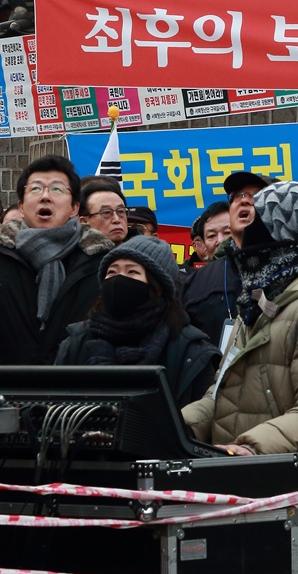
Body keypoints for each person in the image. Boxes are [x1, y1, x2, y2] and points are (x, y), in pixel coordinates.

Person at [183, 181, 298, 574]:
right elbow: (220, 395)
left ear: (288, 233)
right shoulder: (260, 306)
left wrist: (246, 449)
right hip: (251, 506)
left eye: (258, 226)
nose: (242, 241)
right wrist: (169, 427)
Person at [55, 236, 219, 406]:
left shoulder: (190, 352)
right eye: (112, 272)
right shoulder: (76, 342)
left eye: (132, 272)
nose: (118, 279)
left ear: (157, 287)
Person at [0, 155, 114, 365]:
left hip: (78, 390)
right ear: (21, 205)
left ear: (74, 208)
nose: (45, 196)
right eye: (35, 189)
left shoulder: (102, 264)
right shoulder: (3, 257)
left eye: (57, 189)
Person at [183, 172, 272, 347]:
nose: (244, 200)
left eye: (256, 196)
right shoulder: (197, 282)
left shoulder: (297, 271)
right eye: (237, 196)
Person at [79, 179, 129, 246]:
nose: (116, 220)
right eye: (106, 213)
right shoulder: (70, 255)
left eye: (121, 211)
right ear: (84, 221)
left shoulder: (142, 252)